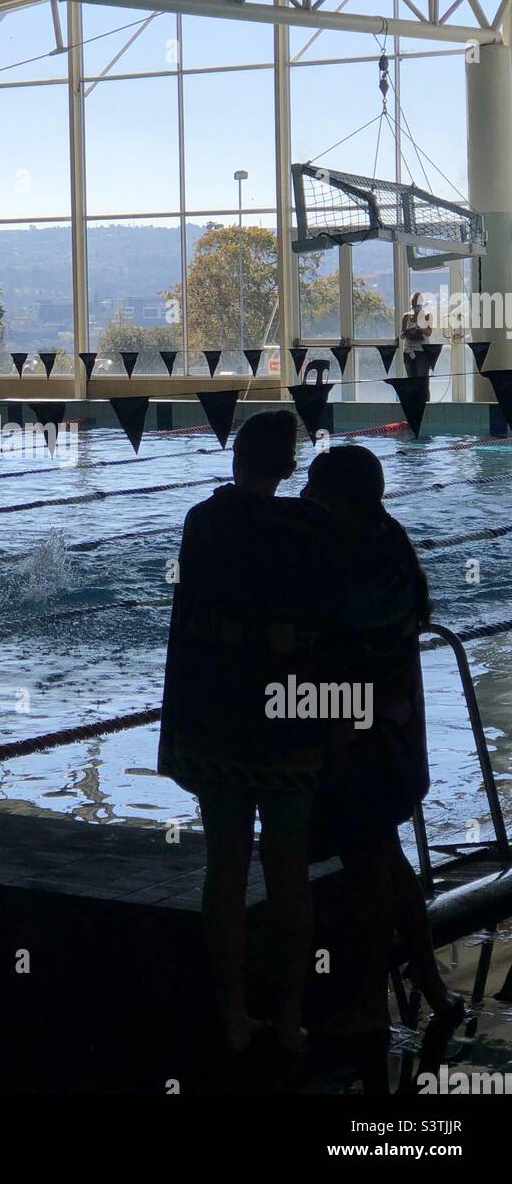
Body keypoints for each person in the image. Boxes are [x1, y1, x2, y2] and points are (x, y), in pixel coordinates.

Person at [158, 410, 337, 1054]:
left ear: (235, 458)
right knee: (290, 873)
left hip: (217, 725)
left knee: (225, 870)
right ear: (289, 468)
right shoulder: (311, 526)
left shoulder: (204, 521)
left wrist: (173, 729)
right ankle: (290, 1017)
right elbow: (331, 626)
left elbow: (187, 631)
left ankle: (232, 1015)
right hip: (291, 726)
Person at [303, 446, 464, 1031]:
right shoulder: (387, 540)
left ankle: (370, 1004)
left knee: (368, 875)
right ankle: (430, 982)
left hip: (358, 747)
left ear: (336, 498)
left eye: (314, 491)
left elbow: (337, 654)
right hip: (391, 740)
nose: (304, 501)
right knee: (386, 859)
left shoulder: (353, 559)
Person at [401, 292, 431, 395]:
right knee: (411, 382)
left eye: (417, 305)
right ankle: (414, 403)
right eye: (413, 304)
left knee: (423, 382)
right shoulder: (406, 316)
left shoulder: (427, 316)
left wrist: (420, 328)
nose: (415, 307)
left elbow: (429, 332)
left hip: (422, 352)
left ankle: (425, 404)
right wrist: (408, 332)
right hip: (409, 351)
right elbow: (403, 333)